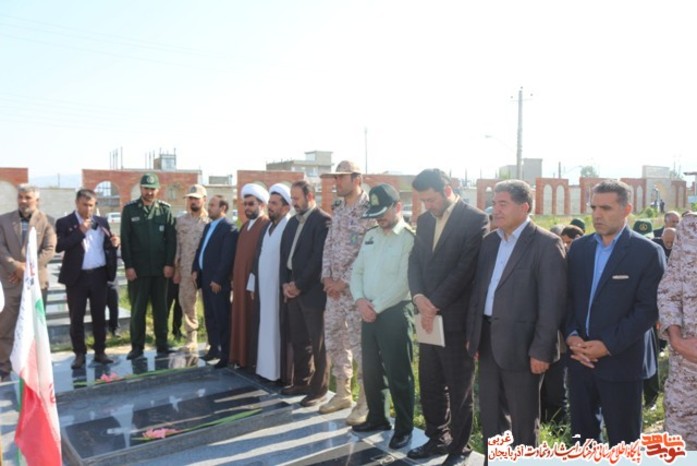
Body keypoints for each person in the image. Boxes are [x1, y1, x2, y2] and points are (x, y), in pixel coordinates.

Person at [565, 179, 665, 445]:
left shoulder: (647, 252)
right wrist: (572, 336)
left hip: (622, 362)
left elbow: (648, 309)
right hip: (579, 359)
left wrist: (607, 345)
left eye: (606, 208)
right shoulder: (580, 248)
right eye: (594, 207)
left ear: (626, 209)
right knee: (582, 441)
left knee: (624, 442)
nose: (597, 215)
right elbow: (568, 298)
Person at [467, 180, 567, 447]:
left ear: (524, 207)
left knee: (523, 420)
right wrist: (474, 337)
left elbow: (552, 303)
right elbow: (479, 293)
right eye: (494, 204)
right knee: (491, 416)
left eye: (503, 204)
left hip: (524, 347)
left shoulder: (546, 244)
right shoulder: (490, 242)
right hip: (488, 341)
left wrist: (541, 350)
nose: (496, 210)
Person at [407, 169, 488, 466]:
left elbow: (466, 269)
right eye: (423, 200)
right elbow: (415, 261)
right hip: (427, 317)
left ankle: (459, 446)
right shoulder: (424, 220)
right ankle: (437, 437)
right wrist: (418, 297)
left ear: (448, 190)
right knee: (429, 382)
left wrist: (434, 303)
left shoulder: (475, 219)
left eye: (431, 199)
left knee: (459, 387)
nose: (427, 205)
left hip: (455, 319)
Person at [350, 184, 416, 451]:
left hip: (395, 313)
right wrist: (359, 300)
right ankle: (378, 418)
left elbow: (404, 282)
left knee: (399, 374)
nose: (379, 219)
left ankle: (404, 428)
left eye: (383, 213)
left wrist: (374, 307)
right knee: (372, 370)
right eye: (375, 214)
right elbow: (357, 272)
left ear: (398, 207)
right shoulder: (370, 235)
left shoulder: (409, 239)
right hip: (368, 312)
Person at [319, 160, 375, 425]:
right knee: (335, 339)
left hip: (356, 293)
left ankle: (365, 401)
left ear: (357, 179)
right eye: (335, 178)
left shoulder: (370, 209)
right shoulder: (339, 208)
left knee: (360, 345)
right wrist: (327, 277)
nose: (336, 182)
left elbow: (368, 251)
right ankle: (343, 393)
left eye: (341, 177)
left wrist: (344, 282)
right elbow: (329, 245)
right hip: (333, 293)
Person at [279, 180, 331, 408]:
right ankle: (301, 382)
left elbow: (318, 259)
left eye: (296, 198)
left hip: (311, 292)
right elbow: (284, 255)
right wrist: (285, 283)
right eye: (292, 198)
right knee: (299, 340)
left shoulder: (323, 221)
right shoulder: (292, 222)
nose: (293, 202)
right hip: (292, 290)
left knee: (317, 343)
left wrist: (299, 285)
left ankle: (319, 390)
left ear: (310, 197)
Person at [55, 189, 120, 369]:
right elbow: (59, 246)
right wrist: (81, 231)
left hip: (99, 275)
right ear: (77, 203)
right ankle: (79, 354)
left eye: (91, 205)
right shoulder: (64, 222)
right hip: (77, 278)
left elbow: (107, 245)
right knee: (76, 318)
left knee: (99, 316)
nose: (88, 209)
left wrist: (114, 244)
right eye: (85, 205)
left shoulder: (102, 221)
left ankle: (100, 351)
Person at [0, 184, 56, 381]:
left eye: (28, 198)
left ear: (37, 200)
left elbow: (49, 250)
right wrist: (16, 267)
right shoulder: (3, 220)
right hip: (10, 281)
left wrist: (27, 270)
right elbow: (0, 248)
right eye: (20, 197)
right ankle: (4, 367)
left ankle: (33, 367)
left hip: (36, 284)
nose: (23, 201)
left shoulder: (48, 221)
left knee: (35, 326)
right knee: (5, 326)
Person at [120, 173, 176, 360]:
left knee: (161, 309)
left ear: (157, 190)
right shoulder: (130, 210)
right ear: (141, 189)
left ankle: (162, 344)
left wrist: (169, 264)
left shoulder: (165, 210)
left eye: (152, 189)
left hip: (160, 270)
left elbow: (171, 240)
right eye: (146, 188)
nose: (149, 192)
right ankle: (137, 347)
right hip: (138, 270)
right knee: (138, 310)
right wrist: (129, 266)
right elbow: (125, 240)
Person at [657, 214, 697, 449]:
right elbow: (669, 290)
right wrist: (676, 339)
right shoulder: (691, 227)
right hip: (687, 374)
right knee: (679, 449)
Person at [250, 183, 292, 383]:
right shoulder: (266, 227)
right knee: (264, 328)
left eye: (275, 203)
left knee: (276, 330)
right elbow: (257, 256)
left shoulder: (289, 226)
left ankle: (277, 374)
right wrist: (252, 283)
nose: (270, 207)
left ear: (286, 207)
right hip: (263, 287)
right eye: (270, 203)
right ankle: (264, 370)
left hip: (279, 288)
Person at [192, 195, 238, 368]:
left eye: (212, 205)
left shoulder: (229, 228)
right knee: (210, 316)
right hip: (205, 279)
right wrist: (195, 269)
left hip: (218, 282)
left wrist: (218, 279)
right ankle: (214, 349)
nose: (209, 208)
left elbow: (227, 257)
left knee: (222, 318)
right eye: (209, 204)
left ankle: (226, 355)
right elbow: (201, 250)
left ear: (223, 208)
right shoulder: (209, 226)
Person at [230, 183, 270, 369]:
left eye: (251, 204)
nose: (247, 207)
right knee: (240, 317)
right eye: (245, 204)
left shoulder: (266, 225)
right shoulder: (245, 226)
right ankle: (240, 357)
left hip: (255, 284)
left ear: (261, 205)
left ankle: (252, 361)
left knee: (252, 319)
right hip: (240, 283)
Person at [174, 184, 210, 353]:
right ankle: (191, 338)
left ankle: (211, 338)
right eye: (190, 198)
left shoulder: (211, 222)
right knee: (187, 303)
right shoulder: (181, 221)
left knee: (209, 304)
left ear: (204, 200)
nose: (193, 201)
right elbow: (177, 247)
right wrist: (176, 269)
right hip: (186, 269)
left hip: (206, 270)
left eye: (196, 198)